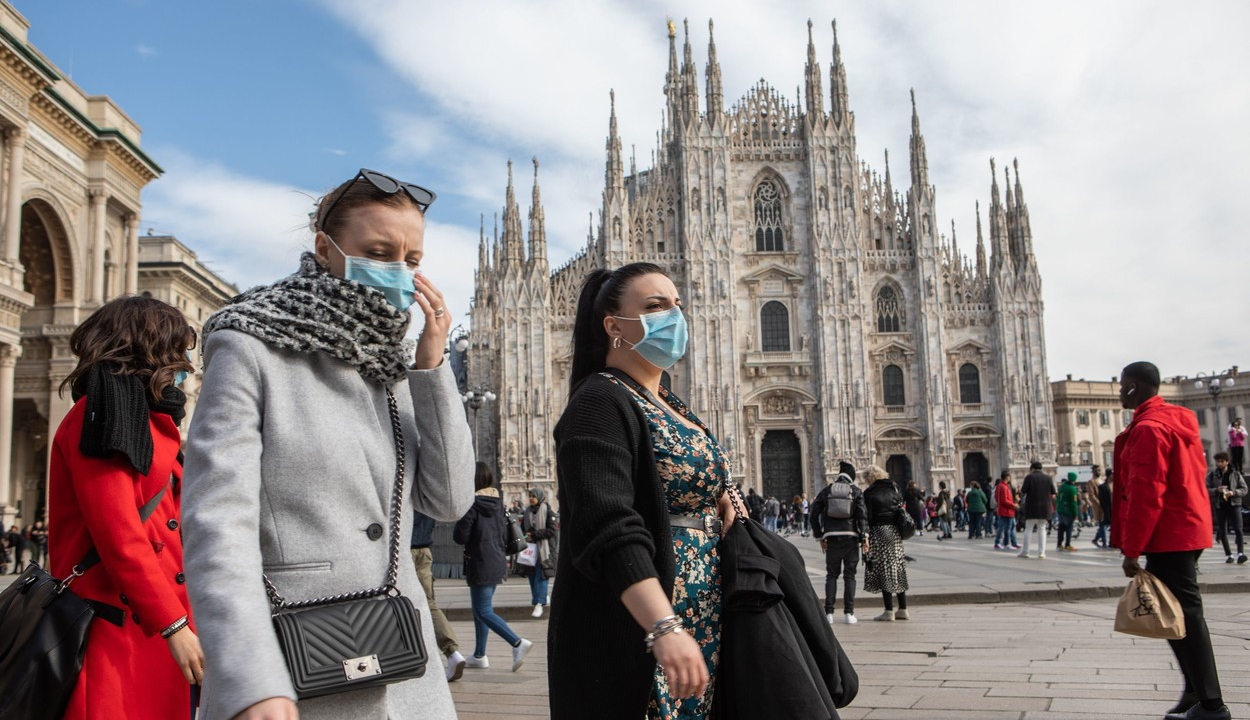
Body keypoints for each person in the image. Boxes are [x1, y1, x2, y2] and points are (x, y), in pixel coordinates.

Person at [182, 168, 475, 720]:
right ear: (325, 247)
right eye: (378, 251)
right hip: (289, 667)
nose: (397, 272)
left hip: (404, 670)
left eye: (411, 260)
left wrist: (432, 371)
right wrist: (250, 678)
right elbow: (217, 521)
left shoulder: (391, 362)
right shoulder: (250, 345)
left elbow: (448, 500)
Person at [548, 262, 738, 720]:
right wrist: (663, 627)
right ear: (614, 326)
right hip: (641, 622)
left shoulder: (669, 402)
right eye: (656, 306)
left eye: (677, 305)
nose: (674, 316)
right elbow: (609, 524)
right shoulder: (599, 400)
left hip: (701, 614)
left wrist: (718, 491)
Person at [48, 296, 204, 719]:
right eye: (175, 349)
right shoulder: (99, 416)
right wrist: (172, 624)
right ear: (149, 348)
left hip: (155, 624)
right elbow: (118, 533)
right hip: (112, 628)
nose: (182, 363)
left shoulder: (150, 420)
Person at [1114, 361, 1229, 720]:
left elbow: (1147, 493)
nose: (1118, 392)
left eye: (1122, 385)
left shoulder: (1150, 429)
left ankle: (1212, 705)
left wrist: (1132, 550)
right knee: (1176, 614)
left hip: (1169, 533)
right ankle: (1195, 692)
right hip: (1186, 528)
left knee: (1186, 616)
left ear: (1134, 387)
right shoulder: (1176, 420)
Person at [454, 463, 534, 672]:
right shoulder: (498, 504)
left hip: (481, 561)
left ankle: (517, 643)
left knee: (483, 610)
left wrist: (460, 515)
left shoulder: (472, 505)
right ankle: (480, 655)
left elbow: (460, 536)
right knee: (479, 609)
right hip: (496, 560)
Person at [810, 461, 868, 625]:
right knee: (850, 576)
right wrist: (865, 537)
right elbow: (862, 516)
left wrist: (820, 536)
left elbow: (813, 515)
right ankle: (849, 613)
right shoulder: (855, 491)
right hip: (851, 539)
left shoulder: (827, 490)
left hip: (832, 538)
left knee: (832, 576)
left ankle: (829, 613)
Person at [412, 509, 465, 681]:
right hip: (424, 551)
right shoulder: (425, 493)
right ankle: (452, 651)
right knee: (428, 604)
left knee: (393, 603)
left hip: (404, 551)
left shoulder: (402, 490)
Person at [863, 465, 909, 621]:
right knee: (898, 568)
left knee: (884, 570)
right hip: (895, 532)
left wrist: (865, 537)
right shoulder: (895, 489)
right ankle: (903, 608)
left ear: (870, 478)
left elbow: (867, 517)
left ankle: (889, 611)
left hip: (879, 532)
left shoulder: (869, 493)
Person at [1205, 452, 1247, 564]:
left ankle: (1241, 553)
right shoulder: (1212, 475)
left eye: (1221, 461)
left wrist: (1233, 492)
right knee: (1223, 530)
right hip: (1220, 505)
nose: (1219, 464)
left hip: (1234, 504)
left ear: (1227, 462)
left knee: (1238, 529)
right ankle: (1229, 554)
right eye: (1217, 461)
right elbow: (1206, 490)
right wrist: (1216, 490)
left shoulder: (1235, 474)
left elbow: (1244, 489)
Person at [522, 487, 557, 617]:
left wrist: (534, 535)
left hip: (545, 549)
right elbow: (522, 529)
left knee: (541, 574)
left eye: (533, 496)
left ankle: (539, 604)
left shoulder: (548, 511)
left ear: (540, 497)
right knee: (531, 574)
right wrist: (526, 535)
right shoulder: (527, 512)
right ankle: (540, 598)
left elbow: (552, 530)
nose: (531, 498)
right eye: (530, 495)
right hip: (530, 549)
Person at [1018, 461, 1055, 559]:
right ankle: (1041, 552)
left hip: (1032, 506)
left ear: (1032, 468)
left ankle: (1025, 552)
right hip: (1045, 507)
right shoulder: (1048, 478)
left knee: (1029, 528)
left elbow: (1023, 491)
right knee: (1042, 529)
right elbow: (1053, 491)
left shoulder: (1029, 477)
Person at [994, 472, 1020, 550]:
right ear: (1007, 477)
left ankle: (1013, 542)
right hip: (1007, 510)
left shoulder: (1000, 486)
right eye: (1009, 477)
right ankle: (1006, 543)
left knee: (1011, 527)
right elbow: (1004, 500)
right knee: (1007, 528)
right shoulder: (1004, 487)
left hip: (1007, 510)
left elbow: (997, 497)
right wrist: (1013, 505)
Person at [1056, 472, 1081, 551]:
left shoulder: (1061, 486)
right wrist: (1075, 514)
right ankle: (1068, 544)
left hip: (1060, 509)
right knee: (1069, 528)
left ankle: (1059, 544)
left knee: (1061, 528)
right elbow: (1074, 503)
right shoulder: (1072, 489)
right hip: (1068, 511)